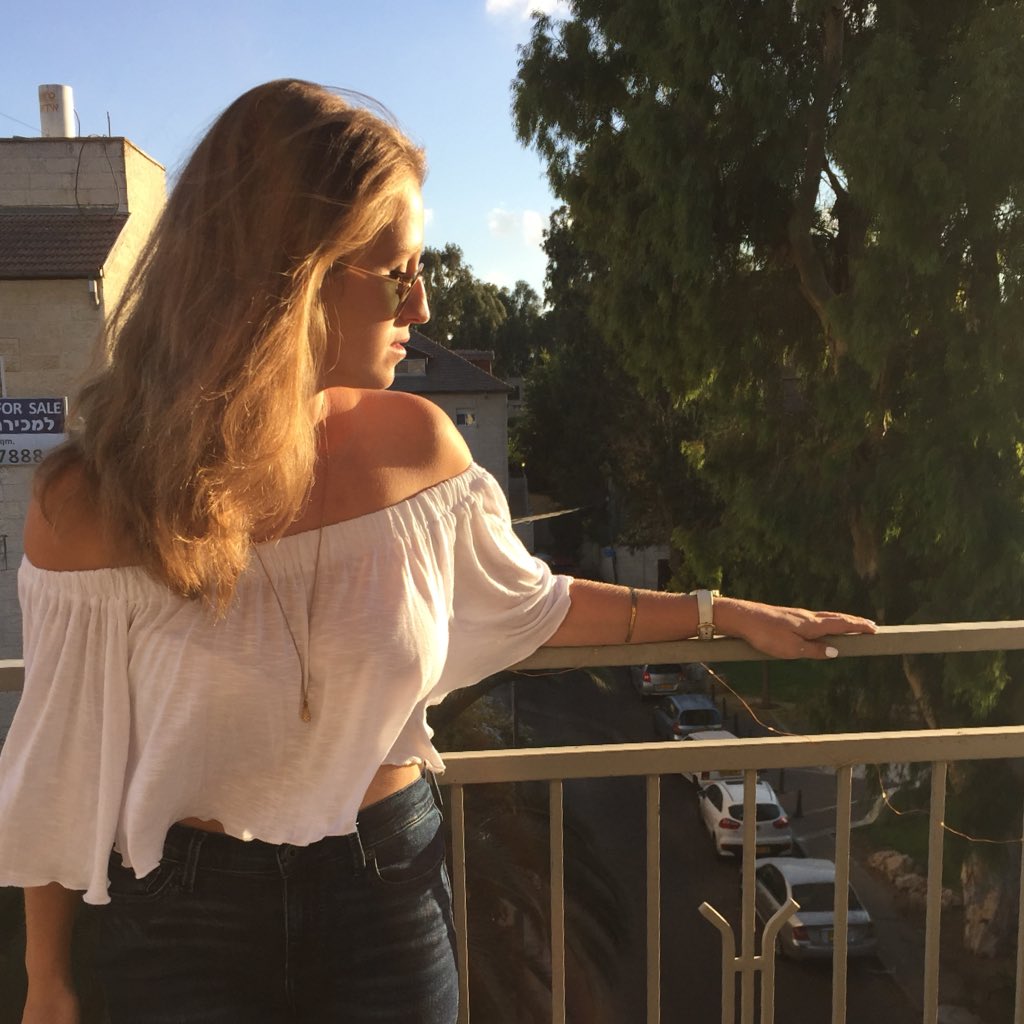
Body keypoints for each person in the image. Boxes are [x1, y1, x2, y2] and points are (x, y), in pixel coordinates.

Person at [0, 79, 875, 1024]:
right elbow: (59, 761)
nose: (422, 302)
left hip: (385, 892)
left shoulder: (417, 450)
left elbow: (533, 603)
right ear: (291, 277)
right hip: (177, 928)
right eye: (397, 271)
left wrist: (719, 614)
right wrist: (48, 980)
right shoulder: (90, 502)